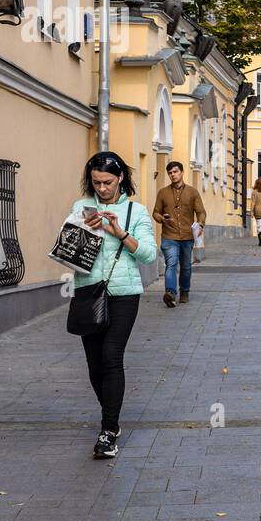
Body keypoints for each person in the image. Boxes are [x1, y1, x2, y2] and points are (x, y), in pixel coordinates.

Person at [71, 151, 157, 459]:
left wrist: (119, 232)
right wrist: (84, 231)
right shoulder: (81, 207)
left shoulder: (136, 211)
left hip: (124, 294)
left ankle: (108, 430)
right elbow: (69, 253)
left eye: (107, 182)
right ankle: (110, 411)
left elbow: (148, 254)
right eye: (96, 183)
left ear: (120, 178)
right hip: (88, 292)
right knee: (95, 366)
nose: (102, 188)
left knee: (111, 357)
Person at [153, 161, 206, 307]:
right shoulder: (163, 192)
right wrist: (162, 218)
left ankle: (185, 292)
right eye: (170, 173)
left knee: (186, 267)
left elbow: (201, 211)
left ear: (182, 172)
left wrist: (200, 224)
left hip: (187, 237)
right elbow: (155, 212)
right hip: (169, 236)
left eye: (175, 172)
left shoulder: (192, 192)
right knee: (171, 263)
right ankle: (170, 293)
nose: (173, 175)